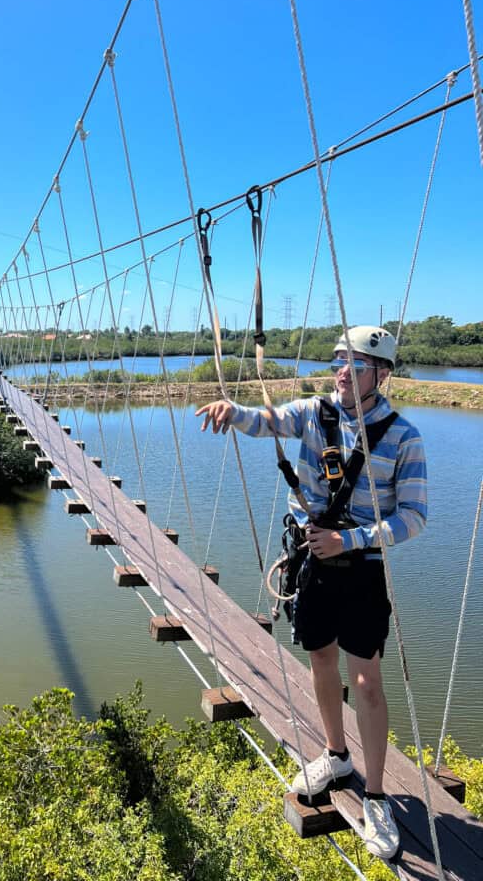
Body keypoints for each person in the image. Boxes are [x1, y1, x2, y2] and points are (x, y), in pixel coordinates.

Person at [195, 325, 427, 860]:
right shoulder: (314, 413)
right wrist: (234, 410)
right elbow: (269, 421)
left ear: (382, 374)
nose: (344, 370)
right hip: (312, 566)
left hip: (360, 568)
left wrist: (351, 537)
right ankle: (335, 754)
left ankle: (374, 795)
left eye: (359, 363)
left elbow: (414, 516)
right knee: (320, 658)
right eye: (340, 359)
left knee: (365, 679)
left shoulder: (402, 436)